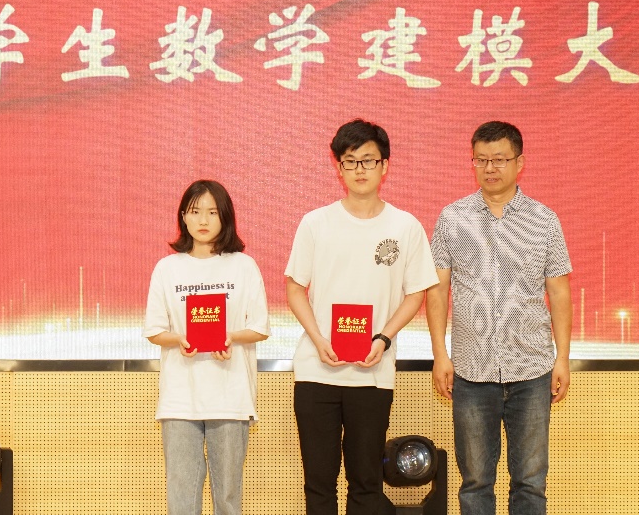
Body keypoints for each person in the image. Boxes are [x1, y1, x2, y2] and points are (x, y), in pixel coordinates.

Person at [285, 118, 438, 515]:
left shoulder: (405, 226)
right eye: (350, 161)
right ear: (338, 167)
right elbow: (295, 287)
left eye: (368, 160)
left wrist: (383, 338)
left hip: (373, 371)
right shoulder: (315, 223)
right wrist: (318, 339)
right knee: (319, 483)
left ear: (385, 165)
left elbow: (416, 292)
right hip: (317, 371)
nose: (359, 169)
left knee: (366, 482)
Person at [426, 120, 573, 515]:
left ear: (519, 162)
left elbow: (559, 292)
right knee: (475, 483)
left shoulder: (545, 220)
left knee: (530, 483)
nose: (490, 168)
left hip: (532, 370)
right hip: (472, 372)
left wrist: (562, 357)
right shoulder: (452, 218)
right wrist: (440, 354)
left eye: (499, 159)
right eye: (481, 160)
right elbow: (437, 290)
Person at [144, 180, 271, 515]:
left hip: (230, 396)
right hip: (179, 399)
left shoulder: (243, 266)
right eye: (195, 211)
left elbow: (260, 327)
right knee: (181, 497)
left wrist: (231, 337)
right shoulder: (168, 268)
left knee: (227, 496)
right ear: (183, 217)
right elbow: (155, 330)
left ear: (225, 217)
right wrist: (179, 339)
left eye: (212, 212)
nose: (203, 220)